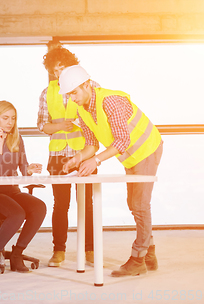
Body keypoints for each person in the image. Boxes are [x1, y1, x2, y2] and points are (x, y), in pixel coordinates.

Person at [60, 65, 163, 277]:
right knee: (133, 204)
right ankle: (149, 253)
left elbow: (122, 140)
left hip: (146, 148)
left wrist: (96, 161)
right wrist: (77, 158)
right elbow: (92, 144)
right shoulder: (83, 110)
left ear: (87, 85)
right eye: (69, 95)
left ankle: (138, 259)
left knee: (140, 205)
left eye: (74, 92)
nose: (72, 99)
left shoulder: (110, 101)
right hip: (131, 156)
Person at [37, 45, 100, 267]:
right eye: (54, 71)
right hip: (57, 156)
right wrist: (60, 126)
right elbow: (42, 126)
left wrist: (76, 125)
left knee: (87, 204)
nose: (58, 74)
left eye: (61, 69)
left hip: (84, 153)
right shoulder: (47, 93)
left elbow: (97, 120)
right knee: (60, 204)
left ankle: (90, 249)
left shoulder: (90, 87)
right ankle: (58, 251)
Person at [0, 100, 47, 274]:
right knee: (17, 213)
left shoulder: (17, 138)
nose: (10, 122)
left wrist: (29, 170)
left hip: (10, 190)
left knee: (39, 207)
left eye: (13, 118)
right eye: (5, 118)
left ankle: (17, 254)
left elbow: (23, 168)